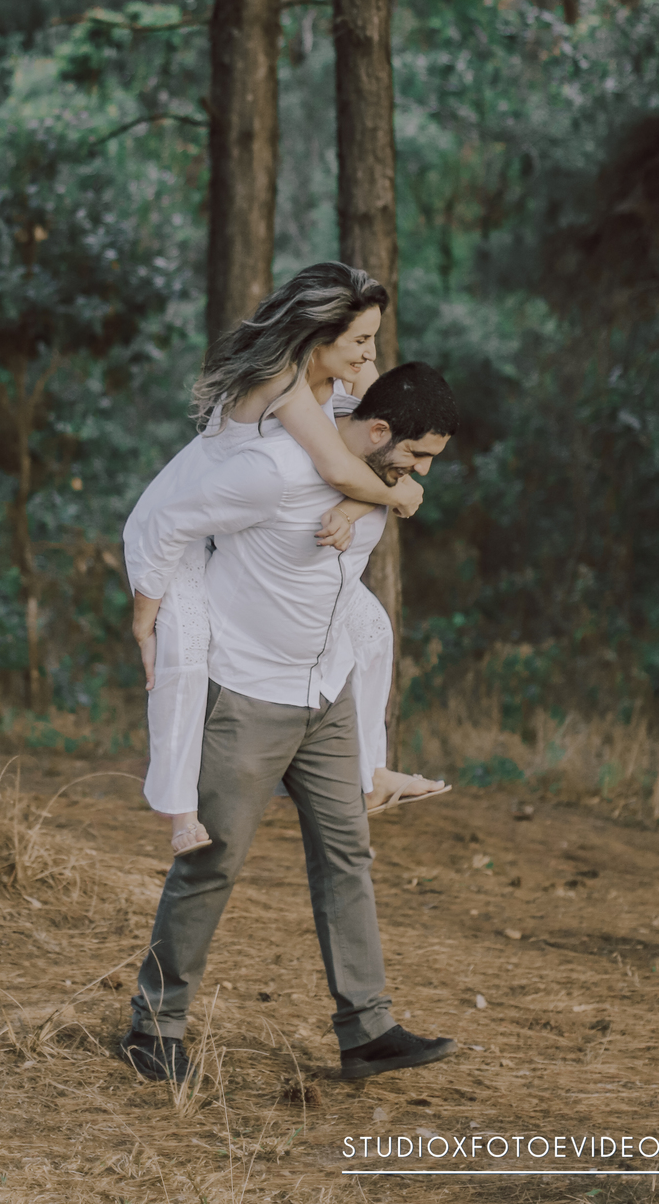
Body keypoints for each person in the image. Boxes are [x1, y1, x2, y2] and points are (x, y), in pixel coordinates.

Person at [120, 361, 461, 1084]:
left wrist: (368, 502)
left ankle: (367, 1031)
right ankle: (153, 1028)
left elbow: (392, 489)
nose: (422, 472)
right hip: (246, 692)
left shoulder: (375, 474)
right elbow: (170, 520)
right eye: (418, 454)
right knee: (211, 862)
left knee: (347, 856)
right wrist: (149, 614)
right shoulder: (270, 471)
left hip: (327, 693)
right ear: (378, 430)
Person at [124, 263, 446, 857]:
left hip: (236, 527)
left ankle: (372, 774)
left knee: (372, 631)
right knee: (184, 651)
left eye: (374, 337)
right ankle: (179, 809)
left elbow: (371, 461)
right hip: (177, 526)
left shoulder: (349, 373)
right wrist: (145, 611)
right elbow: (340, 468)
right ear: (319, 336)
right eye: (360, 339)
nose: (370, 354)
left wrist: (363, 504)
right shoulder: (284, 380)